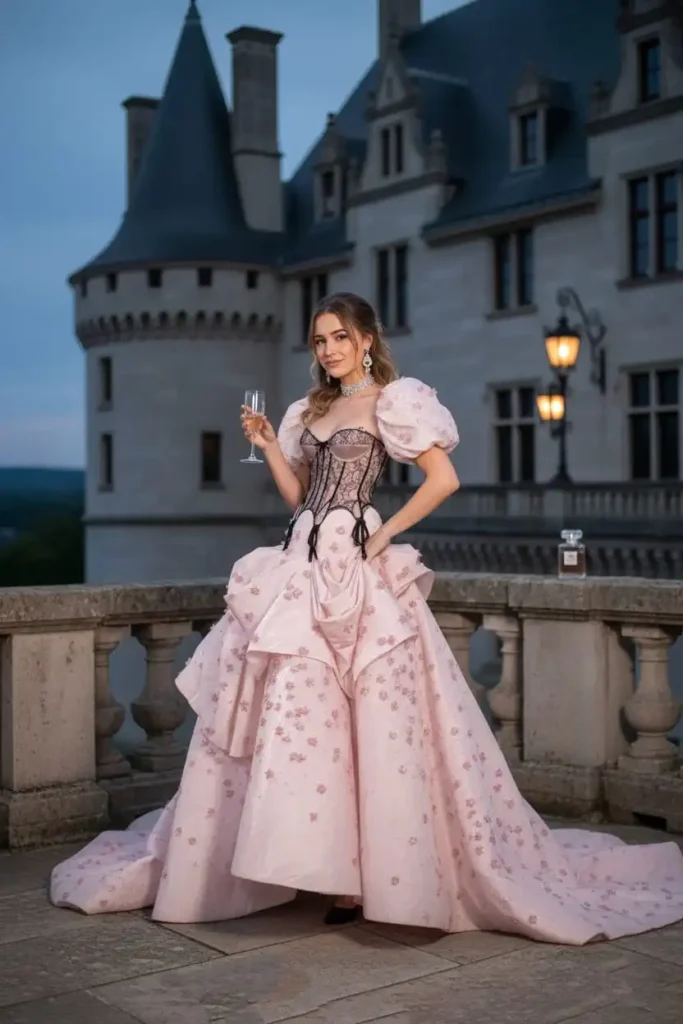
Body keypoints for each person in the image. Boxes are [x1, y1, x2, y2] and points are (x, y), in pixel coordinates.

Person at [51, 292, 683, 943]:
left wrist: (382, 538)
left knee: (368, 721)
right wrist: (270, 444)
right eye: (318, 339)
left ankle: (361, 879)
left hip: (354, 566)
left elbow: (443, 480)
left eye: (337, 337)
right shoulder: (309, 410)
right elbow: (299, 496)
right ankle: (303, 860)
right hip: (298, 561)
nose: (326, 349)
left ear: (365, 340)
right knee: (296, 718)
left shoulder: (394, 400)